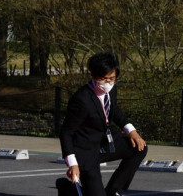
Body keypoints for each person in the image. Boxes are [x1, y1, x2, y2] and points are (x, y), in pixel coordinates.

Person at [59, 51, 147, 196]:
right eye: (103, 79)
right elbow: (66, 132)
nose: (108, 83)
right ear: (93, 76)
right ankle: (65, 187)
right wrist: (73, 163)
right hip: (85, 150)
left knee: (139, 148)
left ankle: (114, 190)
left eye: (112, 78)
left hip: (106, 143)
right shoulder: (81, 99)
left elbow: (114, 110)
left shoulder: (112, 89)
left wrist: (132, 131)